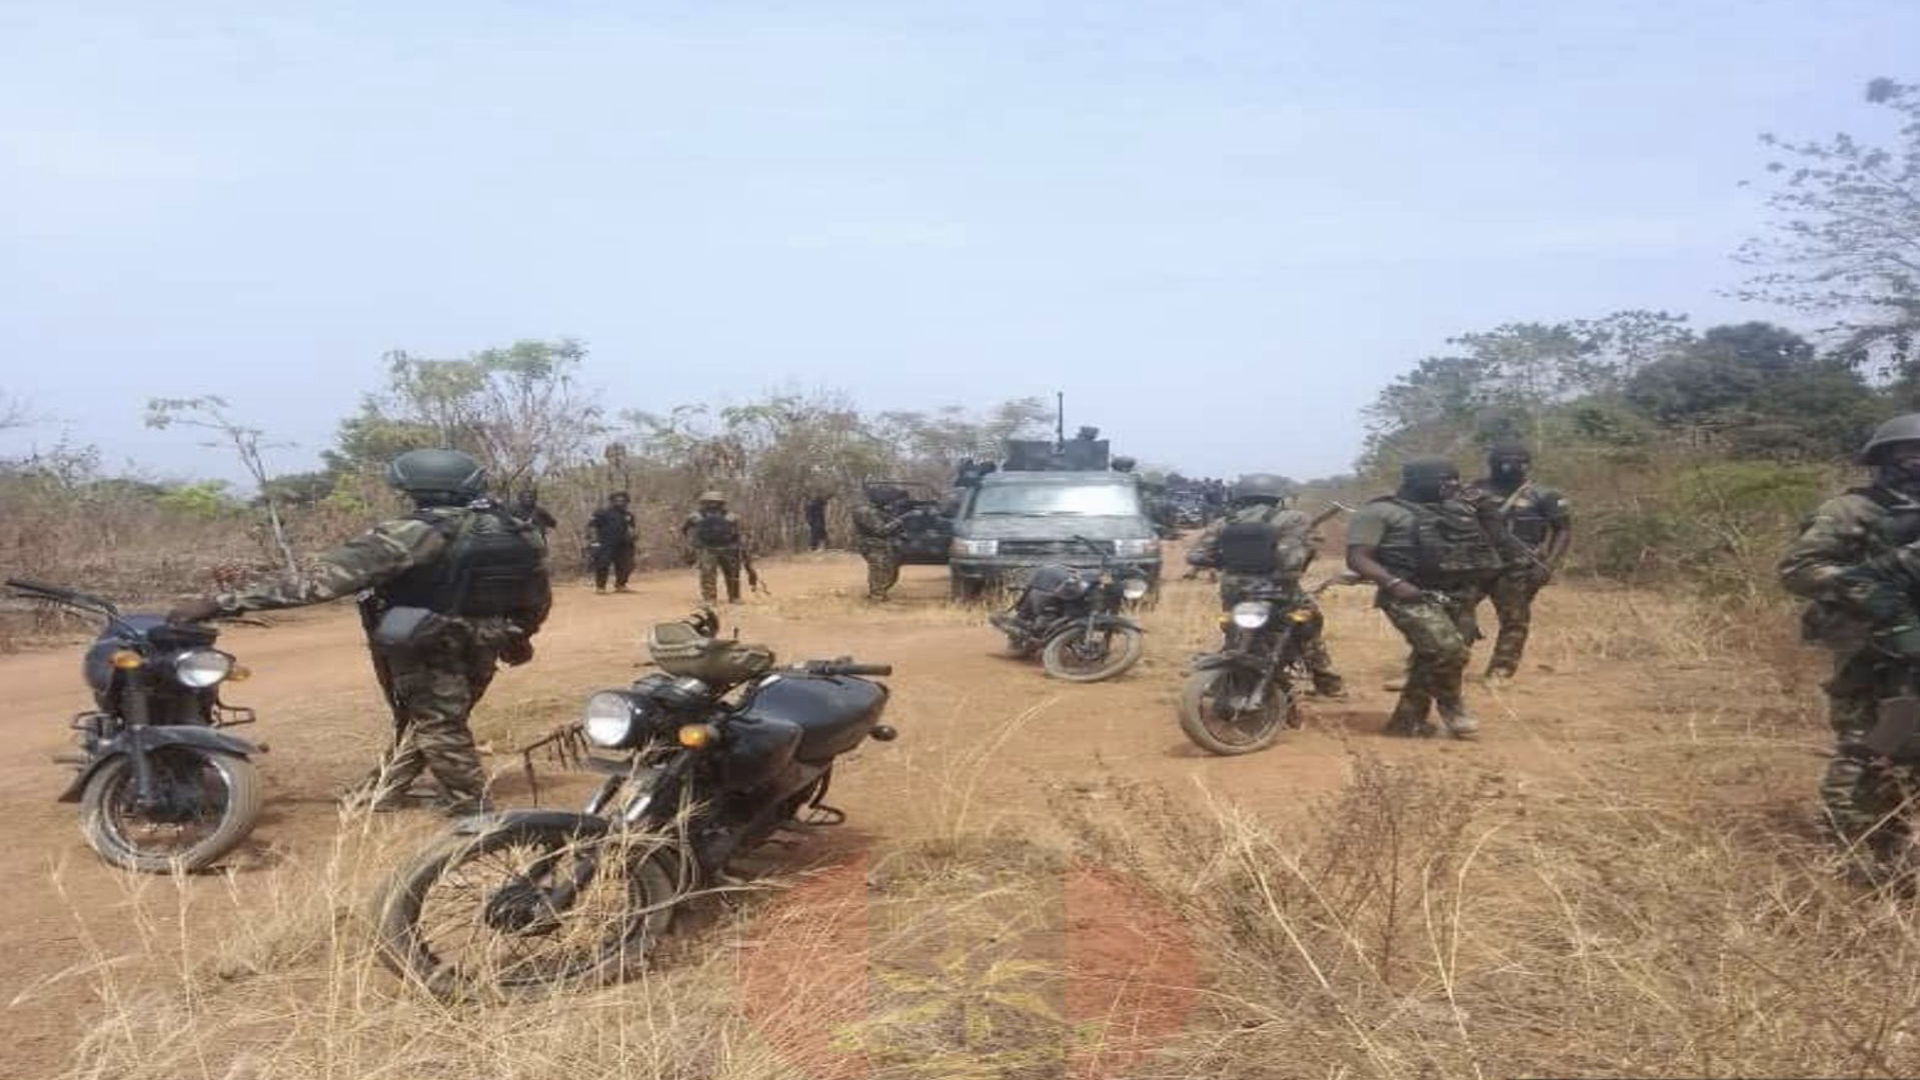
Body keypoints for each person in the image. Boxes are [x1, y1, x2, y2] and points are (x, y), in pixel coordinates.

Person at [168, 449, 550, 815]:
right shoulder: (518, 531)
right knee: (431, 717)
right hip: (487, 638)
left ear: (418, 490)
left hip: (428, 640)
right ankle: (382, 791)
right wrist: (520, 636)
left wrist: (222, 602)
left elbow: (317, 584)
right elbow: (535, 593)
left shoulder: (411, 533)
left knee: (438, 723)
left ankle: (472, 808)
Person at [1780, 413, 1920, 870]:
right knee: (1868, 743)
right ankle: (1856, 849)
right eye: (1908, 452)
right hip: (1869, 647)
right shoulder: (1851, 511)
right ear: (1885, 458)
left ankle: (1901, 843)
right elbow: (1798, 570)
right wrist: (1870, 586)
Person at [1346, 456, 1507, 738]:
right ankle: (1453, 708)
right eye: (1446, 480)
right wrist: (1393, 583)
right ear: (1416, 481)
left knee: (1433, 657)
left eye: (1455, 479)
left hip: (1457, 593)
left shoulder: (1458, 509)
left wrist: (1487, 512)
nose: (1454, 485)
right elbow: (1358, 558)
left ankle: (1407, 721)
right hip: (1408, 594)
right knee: (1447, 650)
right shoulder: (1379, 512)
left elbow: (1495, 544)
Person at [1188, 473, 1346, 697]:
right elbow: (1292, 562)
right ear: (1277, 496)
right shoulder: (1294, 518)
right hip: (1278, 588)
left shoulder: (1224, 522)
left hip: (1235, 590)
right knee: (1309, 624)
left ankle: (1224, 677)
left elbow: (1196, 556)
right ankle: (1325, 680)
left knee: (1235, 630)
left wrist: (1231, 560)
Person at [1473, 442, 1574, 681]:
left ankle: (1500, 671)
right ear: (1492, 463)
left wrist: (1548, 565)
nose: (1511, 466)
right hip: (1474, 564)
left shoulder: (1545, 495)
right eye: (1504, 460)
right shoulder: (1473, 491)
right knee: (1452, 613)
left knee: (1514, 620)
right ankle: (1437, 668)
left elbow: (1563, 530)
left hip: (1519, 566)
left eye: (1518, 461)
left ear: (1527, 464)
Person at [682, 490, 746, 604]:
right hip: (707, 548)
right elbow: (685, 530)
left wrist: (740, 547)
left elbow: (739, 532)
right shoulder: (695, 516)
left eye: (715, 502)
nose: (712, 505)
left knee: (732, 573)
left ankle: (734, 597)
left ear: (721, 503)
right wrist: (692, 545)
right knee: (707, 574)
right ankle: (710, 598)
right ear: (703, 503)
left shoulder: (732, 516)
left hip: (728, 548)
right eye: (709, 502)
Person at [852, 485, 913, 601]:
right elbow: (881, 530)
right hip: (873, 545)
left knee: (889, 571)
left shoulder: (879, 510)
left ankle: (880, 593)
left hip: (882, 545)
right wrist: (901, 520)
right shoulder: (865, 511)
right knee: (879, 570)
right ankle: (876, 596)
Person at [587, 491, 638, 593]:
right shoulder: (602, 513)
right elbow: (591, 526)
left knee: (626, 565)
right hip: (605, 543)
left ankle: (621, 585)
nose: (620, 502)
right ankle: (601, 587)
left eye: (623, 500)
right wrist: (594, 541)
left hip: (624, 544)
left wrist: (633, 536)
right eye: (617, 500)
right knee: (602, 564)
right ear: (612, 501)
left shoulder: (628, 515)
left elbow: (632, 528)